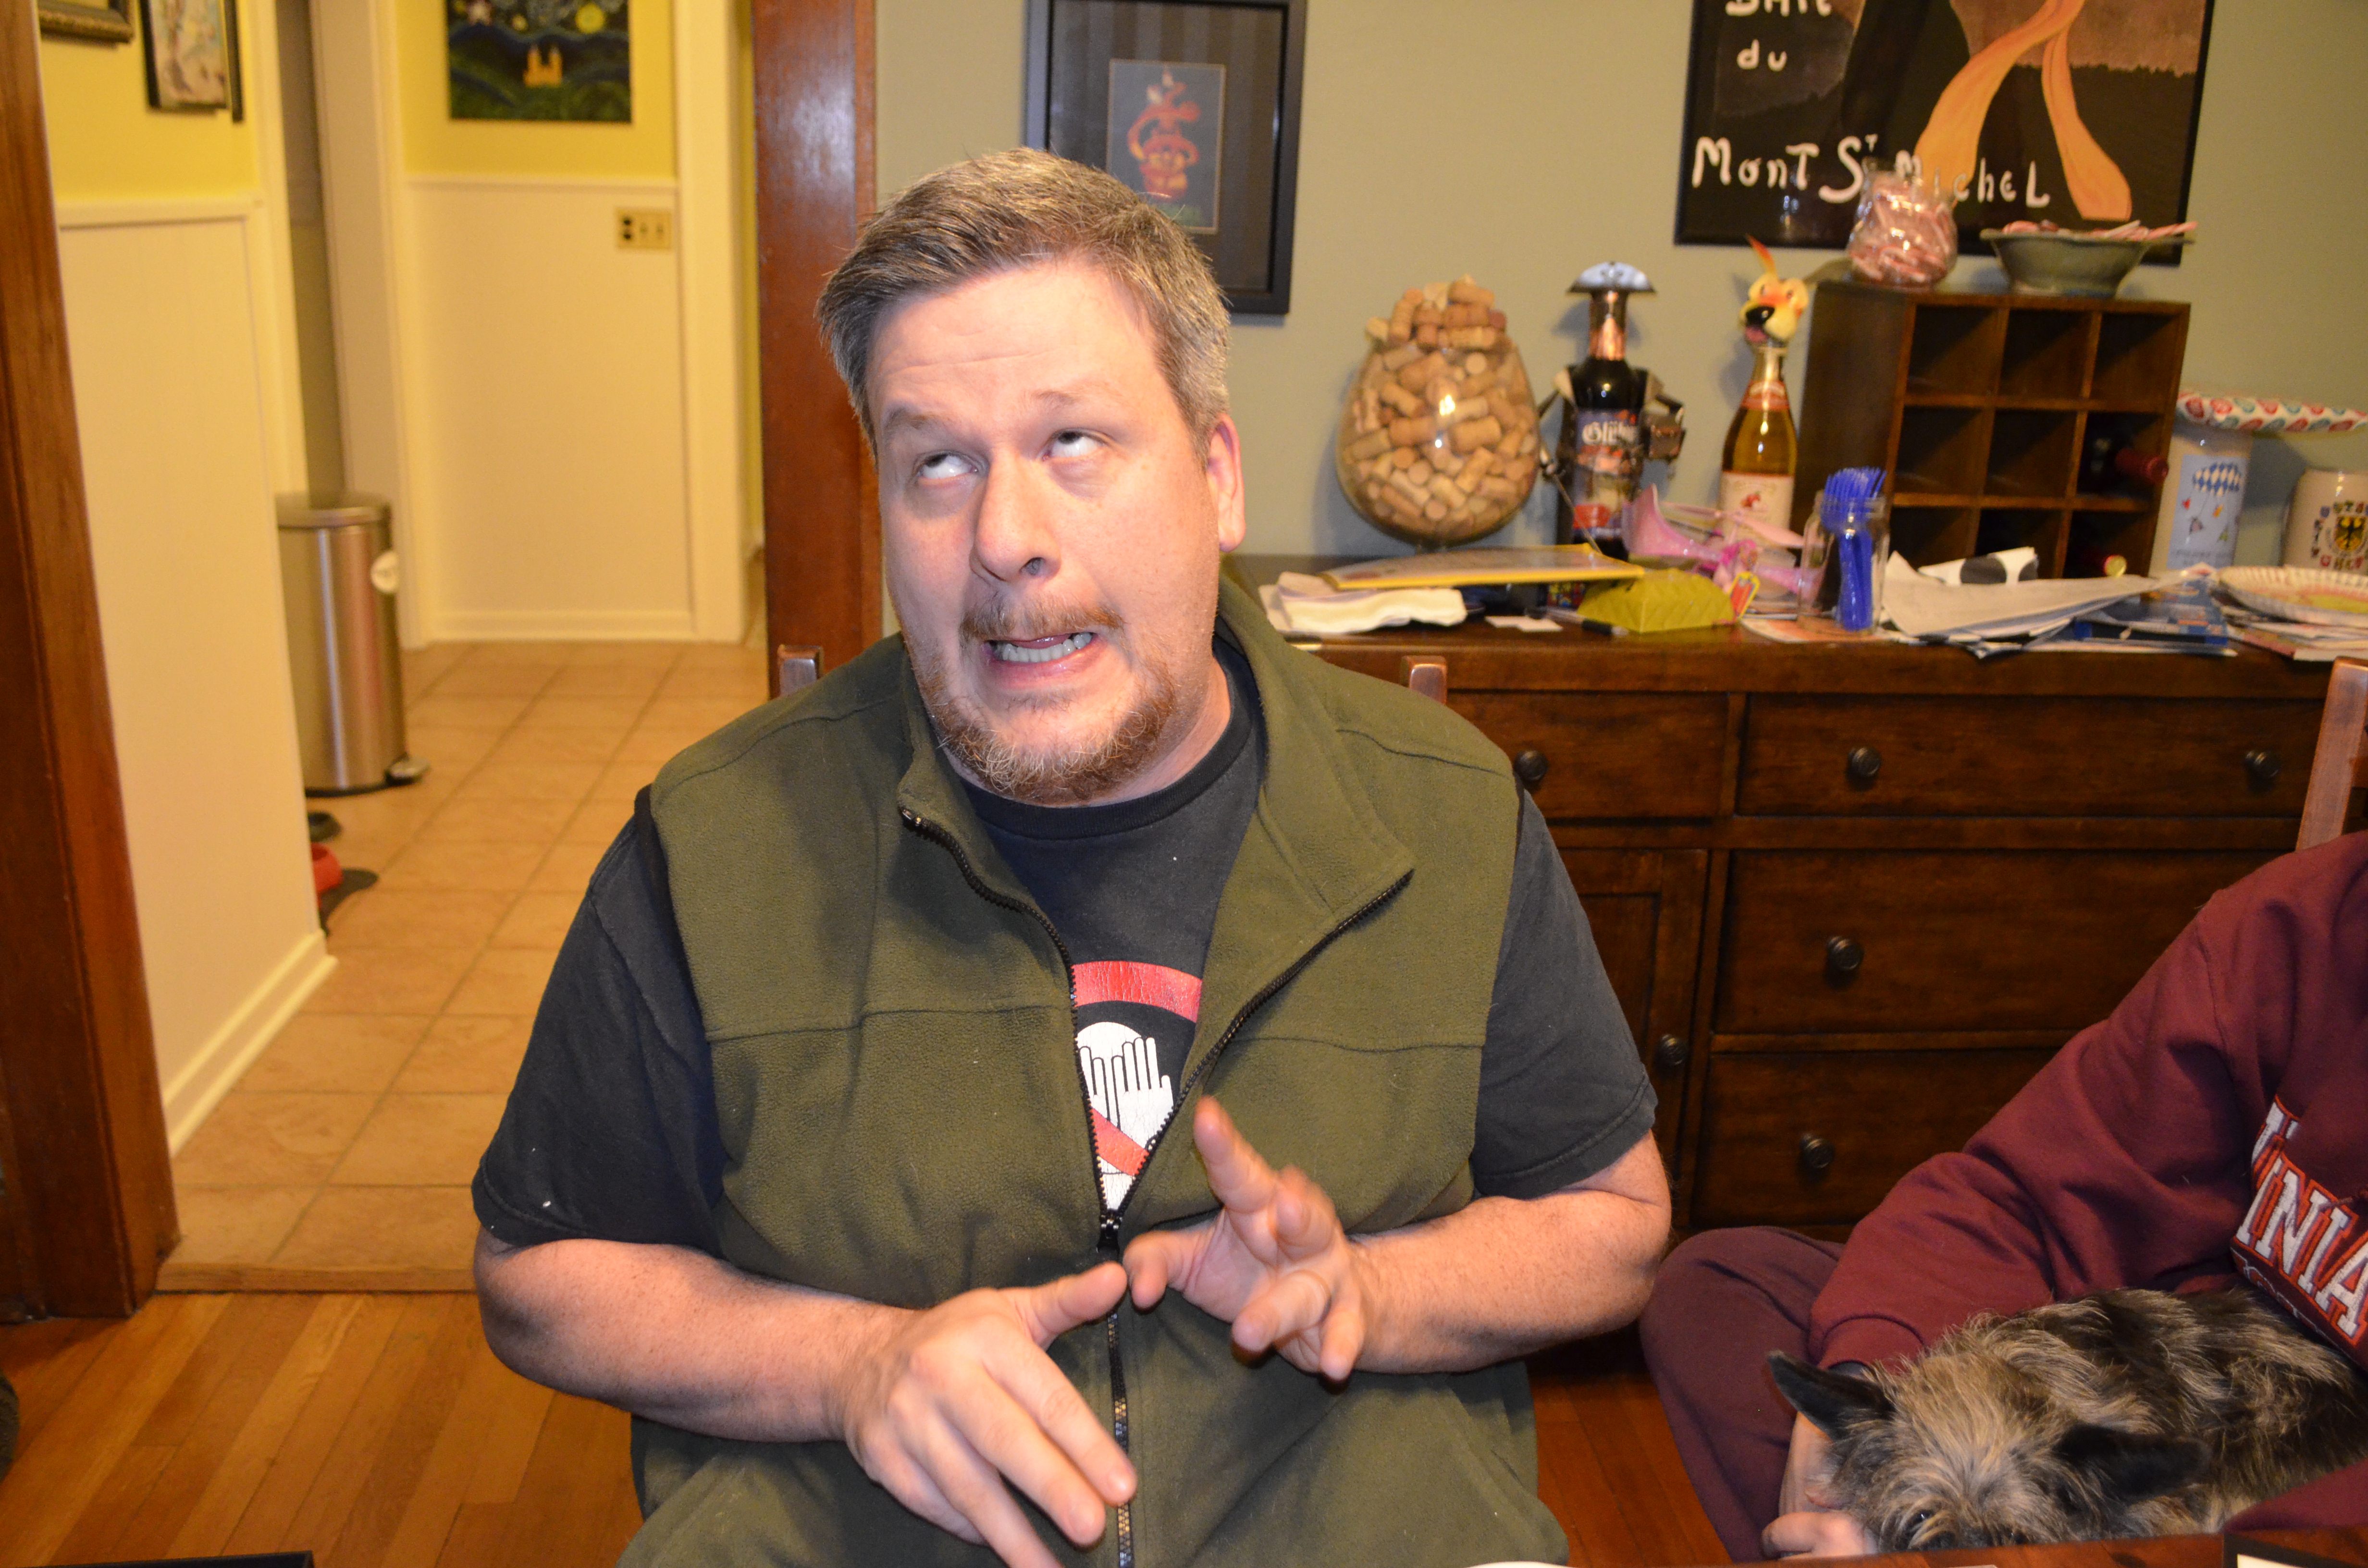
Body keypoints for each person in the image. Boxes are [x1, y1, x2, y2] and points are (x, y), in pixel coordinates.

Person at [470, 147, 1669, 1568]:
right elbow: (538, 1275)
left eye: (1075, 444)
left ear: (1216, 476)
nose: (1005, 539)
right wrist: (853, 1366)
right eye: (938, 463)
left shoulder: (1449, 814)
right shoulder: (713, 841)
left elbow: (1615, 1222)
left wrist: (1373, 1289)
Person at [1641, 832, 2368, 1560]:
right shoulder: (2292, 923)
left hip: (2302, 1514)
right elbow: (2023, 1197)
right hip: (2171, 1384)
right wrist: (1868, 1404)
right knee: (1720, 1285)